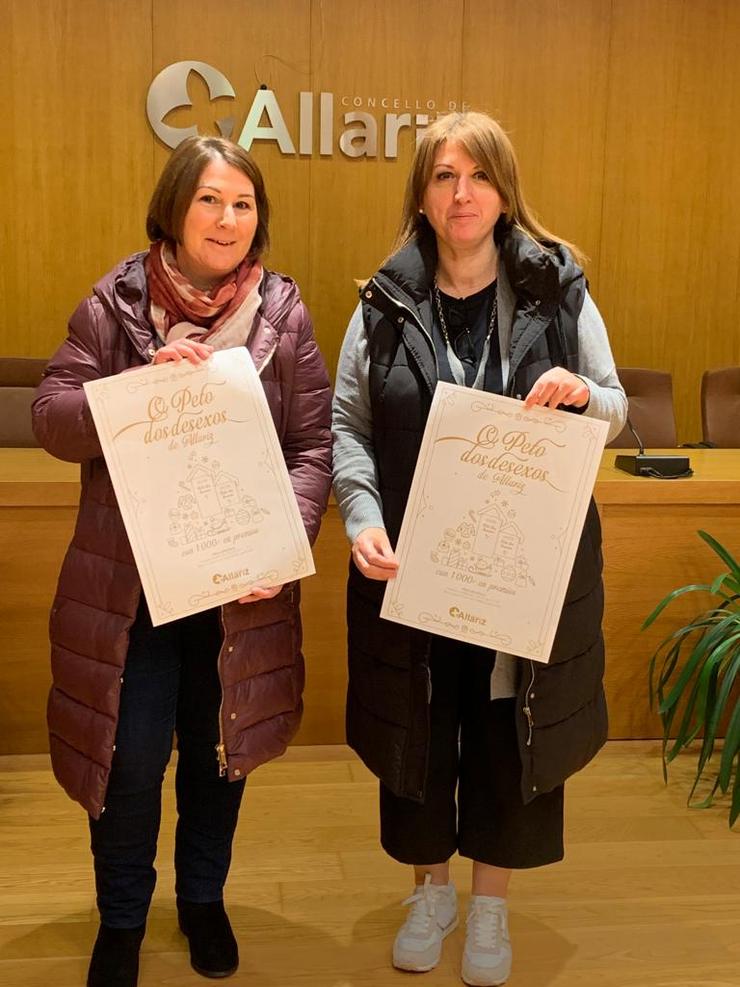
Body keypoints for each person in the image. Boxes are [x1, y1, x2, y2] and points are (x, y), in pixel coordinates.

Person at [332, 111, 627, 987]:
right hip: (412, 574)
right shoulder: (382, 302)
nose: (462, 194)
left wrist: (583, 393)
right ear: (421, 196)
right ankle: (431, 893)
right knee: (419, 735)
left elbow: (615, 409)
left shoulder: (559, 291)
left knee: (507, 733)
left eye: (479, 176)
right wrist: (358, 516)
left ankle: (489, 905)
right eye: (443, 177)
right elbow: (348, 427)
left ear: (504, 191)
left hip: (524, 573)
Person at [32, 136, 332, 987]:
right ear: (172, 207)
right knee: (126, 763)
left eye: (242, 203)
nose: (227, 218)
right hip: (129, 589)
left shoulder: (284, 315)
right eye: (209, 199)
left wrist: (287, 539)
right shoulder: (114, 303)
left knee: (216, 751)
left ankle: (203, 899)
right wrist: (132, 394)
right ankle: (122, 916)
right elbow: (50, 415)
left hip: (240, 585)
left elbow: (312, 445)